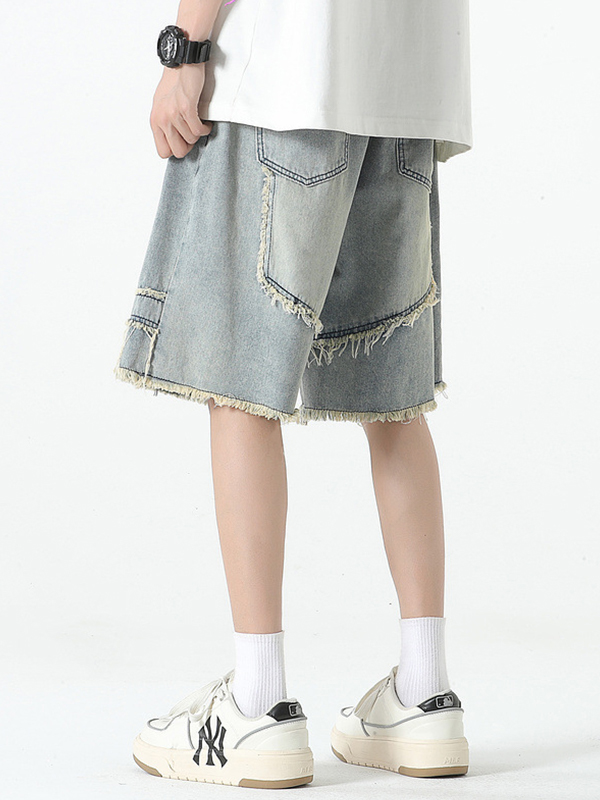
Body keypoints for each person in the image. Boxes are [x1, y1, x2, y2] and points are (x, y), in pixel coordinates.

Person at [115, 0, 473, 788]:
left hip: (281, 72)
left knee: (239, 385)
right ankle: (425, 692)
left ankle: (257, 704)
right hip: (408, 93)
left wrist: (187, 48)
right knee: (395, 402)